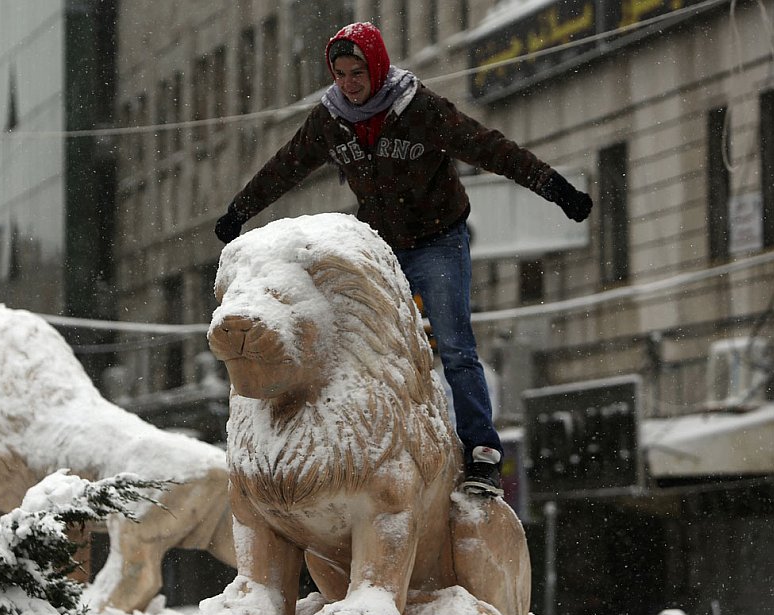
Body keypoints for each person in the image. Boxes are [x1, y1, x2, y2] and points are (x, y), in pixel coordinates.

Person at [214, 22, 593, 497]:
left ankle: (482, 453)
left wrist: (555, 189)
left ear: (377, 68)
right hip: (382, 246)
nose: (350, 83)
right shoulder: (329, 120)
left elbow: (490, 147)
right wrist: (239, 211)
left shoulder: (419, 108)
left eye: (358, 73)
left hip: (438, 240)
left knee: (454, 345)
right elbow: (285, 166)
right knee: (371, 345)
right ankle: (384, 443)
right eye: (340, 73)